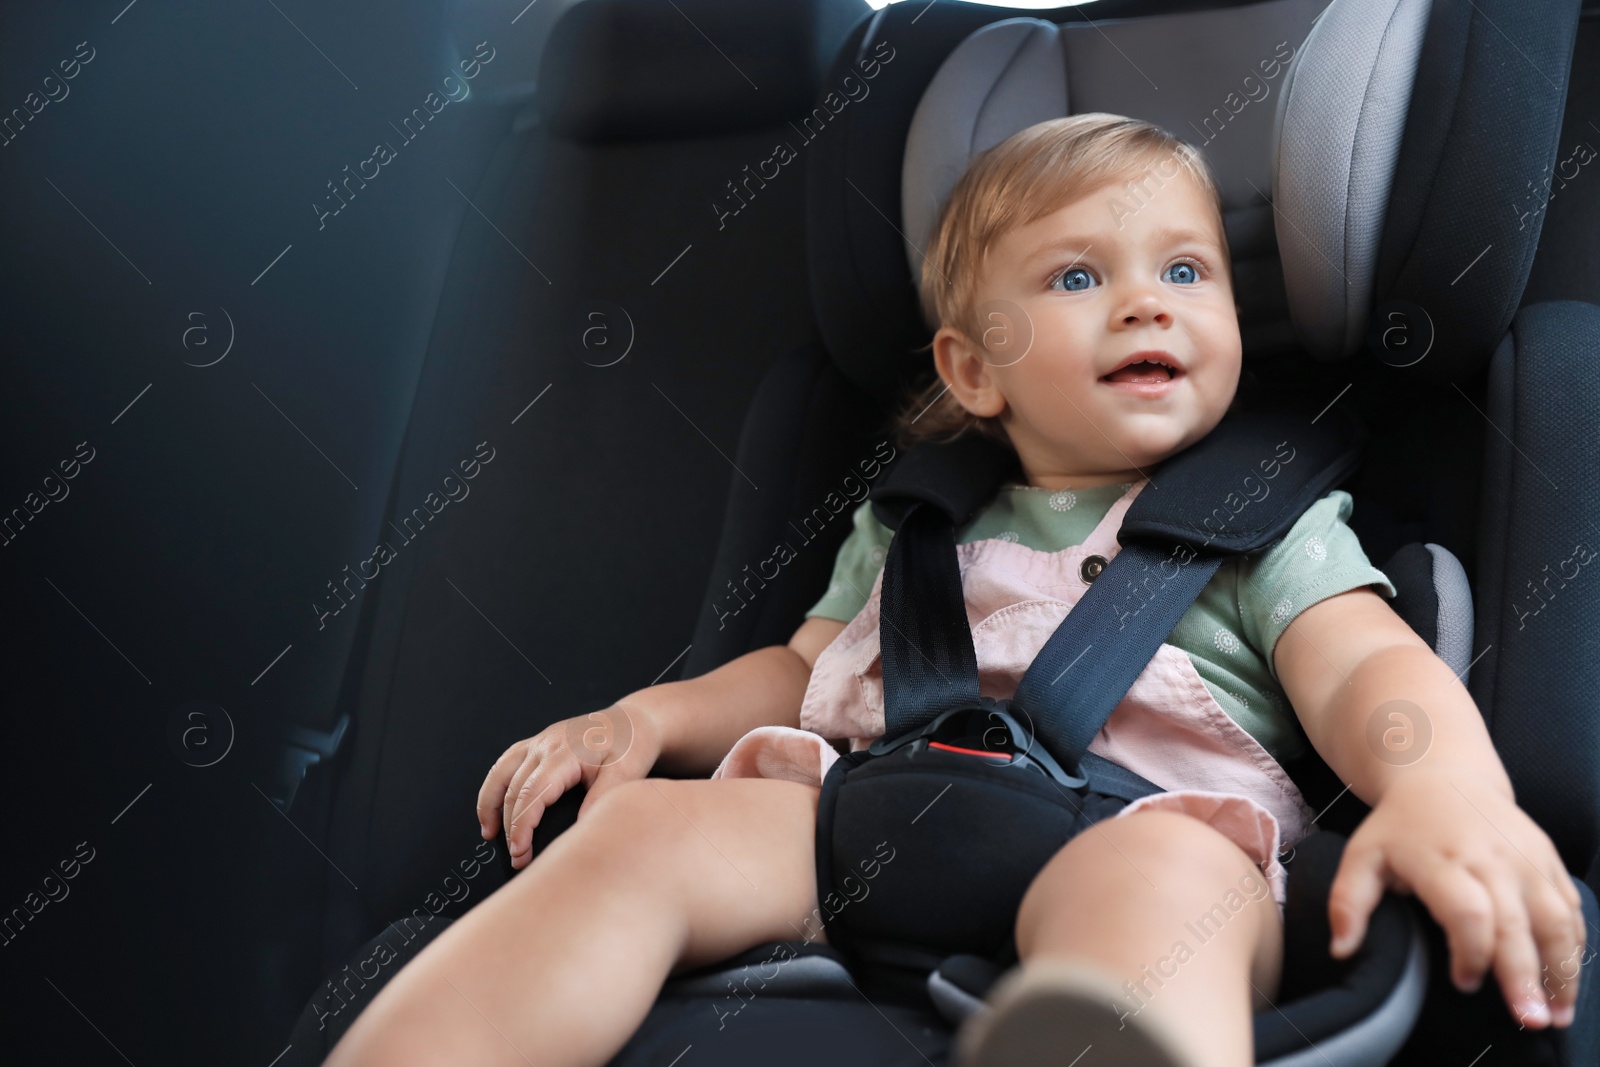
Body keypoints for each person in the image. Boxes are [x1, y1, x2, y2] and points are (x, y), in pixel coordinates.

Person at [324, 114, 1585, 1067]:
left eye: (1187, 272)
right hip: (869, 815)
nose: (1146, 296)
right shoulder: (914, 519)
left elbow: (1368, 667)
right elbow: (803, 673)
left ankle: (1096, 1033)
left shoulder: (1268, 523)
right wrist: (647, 722)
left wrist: (1442, 791)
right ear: (972, 369)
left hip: (1135, 824)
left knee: (1167, 897)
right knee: (645, 831)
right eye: (1077, 277)